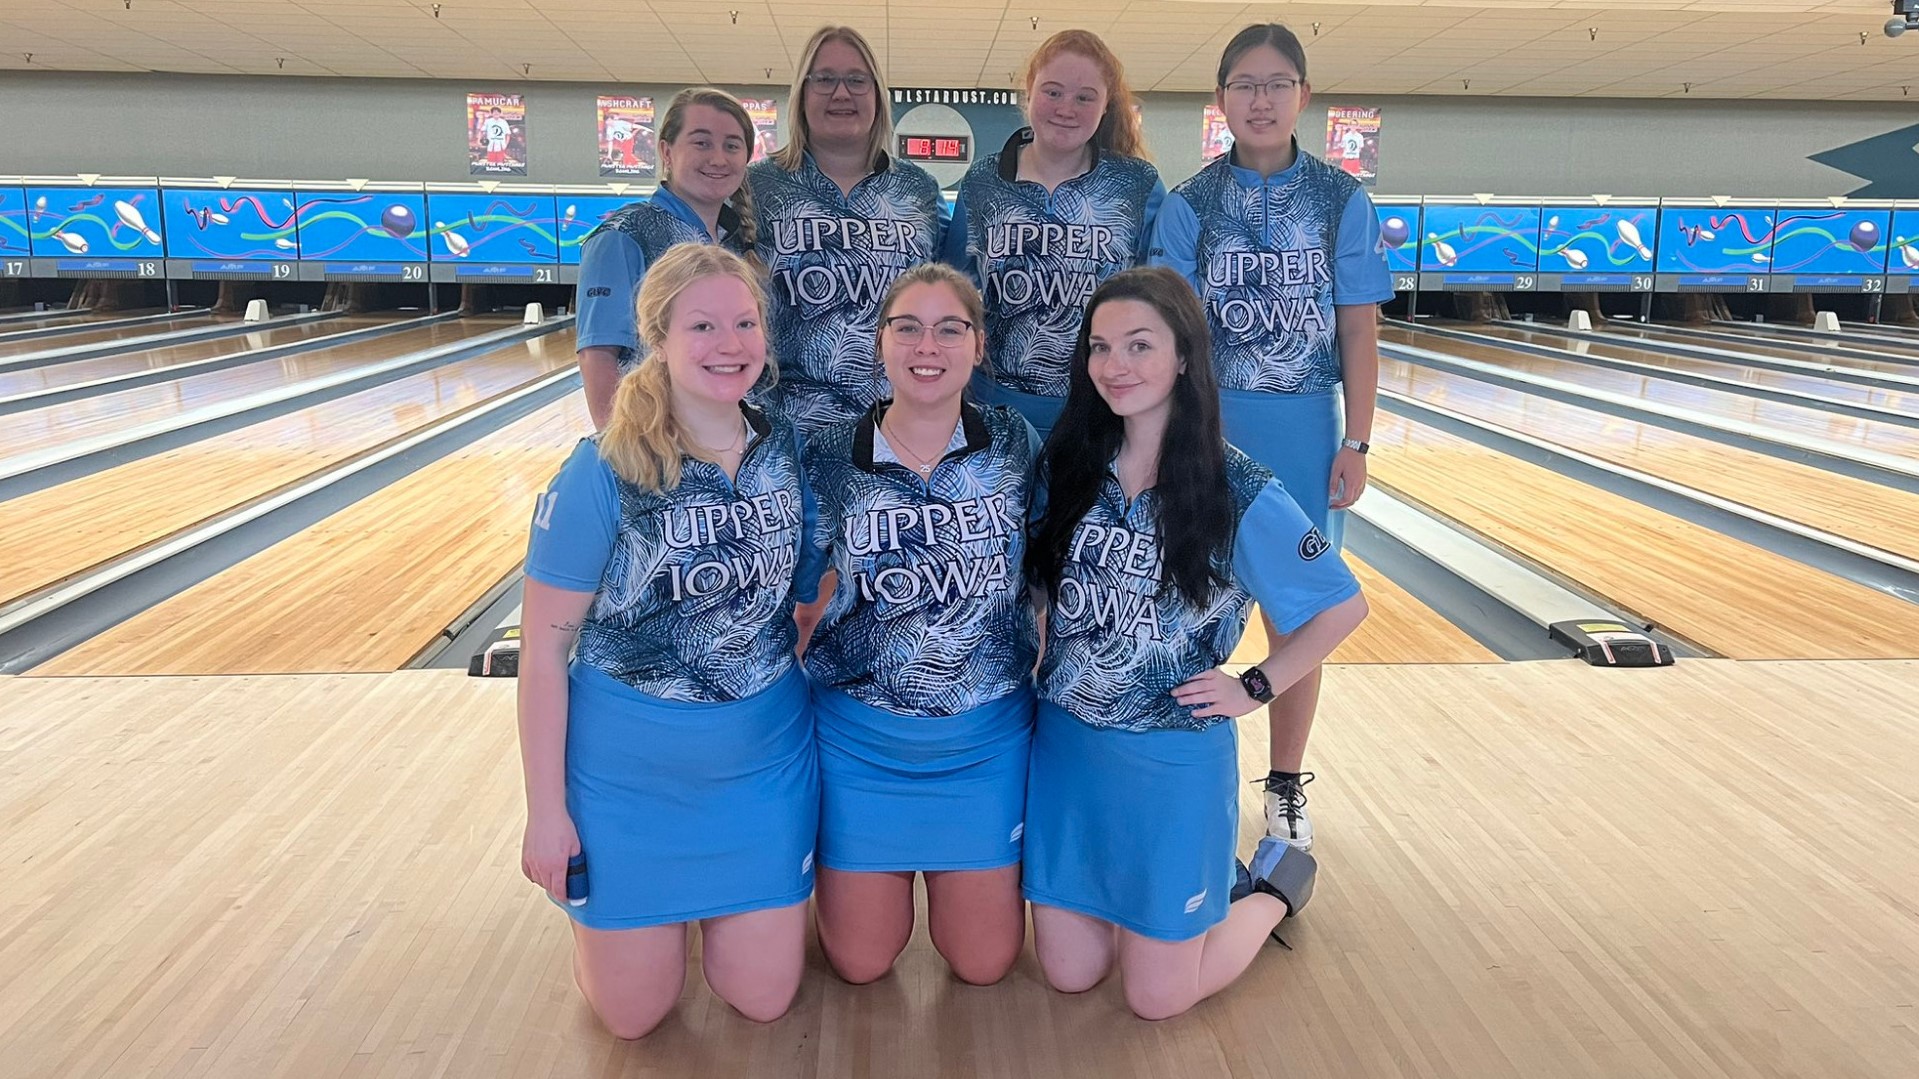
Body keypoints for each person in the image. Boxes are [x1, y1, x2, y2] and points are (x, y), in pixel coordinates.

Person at [1023, 267, 1368, 1020]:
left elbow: (1341, 605)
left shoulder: (1234, 486)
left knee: (1156, 997)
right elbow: (1042, 592)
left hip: (1171, 759)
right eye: (1101, 346)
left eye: (1139, 345)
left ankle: (1274, 887)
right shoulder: (1069, 465)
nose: (1115, 365)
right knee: (1069, 973)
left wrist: (1254, 686)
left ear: (1184, 355)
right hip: (1068, 749)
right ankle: (1168, 908)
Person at [518, 244, 816, 1039]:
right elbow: (544, 650)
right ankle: (622, 929)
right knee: (633, 1015)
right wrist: (546, 813)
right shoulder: (603, 469)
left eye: (745, 322)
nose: (730, 342)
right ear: (658, 336)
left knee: (761, 997)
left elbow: (807, 591)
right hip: (628, 780)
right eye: (704, 325)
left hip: (760, 766)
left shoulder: (785, 451)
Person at [1150, 23, 1393, 851]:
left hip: (1302, 430)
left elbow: (1357, 332)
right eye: (1244, 84)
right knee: (1183, 605)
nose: (1260, 98)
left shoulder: (1340, 199)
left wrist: (1355, 444)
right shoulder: (1187, 205)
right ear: (1219, 100)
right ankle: (1177, 765)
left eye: (1276, 82)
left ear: (1303, 97)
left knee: (1297, 621)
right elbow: (1171, 338)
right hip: (1208, 431)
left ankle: (1285, 781)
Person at [799, 263, 1039, 987]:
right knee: (860, 961)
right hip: (859, 739)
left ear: (977, 345)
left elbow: (1055, 569)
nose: (925, 345)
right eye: (906, 327)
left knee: (983, 962)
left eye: (947, 328)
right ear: (880, 343)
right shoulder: (831, 452)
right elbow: (797, 590)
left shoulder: (1014, 443)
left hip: (983, 740)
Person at [944, 29, 1163, 440]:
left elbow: (1161, 307)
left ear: (1106, 105)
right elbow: (957, 293)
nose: (1067, 108)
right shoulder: (983, 181)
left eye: (1085, 97)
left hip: (1102, 407)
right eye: (1053, 92)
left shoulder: (1137, 186)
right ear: (1028, 93)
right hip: (994, 404)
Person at [748, 25, 949, 436]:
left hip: (899, 426)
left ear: (877, 93)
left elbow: (949, 302)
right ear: (802, 94)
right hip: (783, 430)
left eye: (857, 80)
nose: (842, 94)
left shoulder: (918, 190)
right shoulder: (756, 188)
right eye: (824, 79)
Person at [574, 88, 760, 428]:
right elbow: (597, 356)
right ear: (666, 151)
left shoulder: (739, 242)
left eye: (732, 145)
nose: (718, 158)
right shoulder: (622, 236)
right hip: (657, 440)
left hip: (727, 439)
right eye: (701, 143)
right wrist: (625, 456)